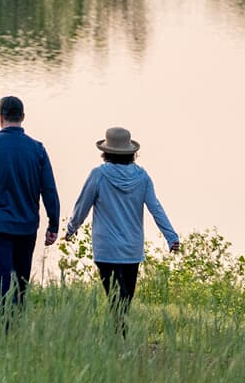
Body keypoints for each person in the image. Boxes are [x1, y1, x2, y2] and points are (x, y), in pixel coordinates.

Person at [63, 126, 180, 332]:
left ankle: (119, 338)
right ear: (132, 153)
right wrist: (171, 237)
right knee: (124, 299)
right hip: (132, 250)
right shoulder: (142, 177)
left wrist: (71, 229)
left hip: (106, 249)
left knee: (117, 298)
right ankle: (121, 338)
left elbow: (82, 206)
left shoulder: (98, 175)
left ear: (105, 152)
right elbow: (156, 208)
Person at [0, 95, 60, 316]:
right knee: (21, 281)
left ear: (0, 118)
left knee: (2, 279)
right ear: (22, 117)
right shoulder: (38, 149)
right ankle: (17, 326)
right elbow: (49, 190)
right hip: (26, 226)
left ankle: (8, 328)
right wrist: (53, 224)